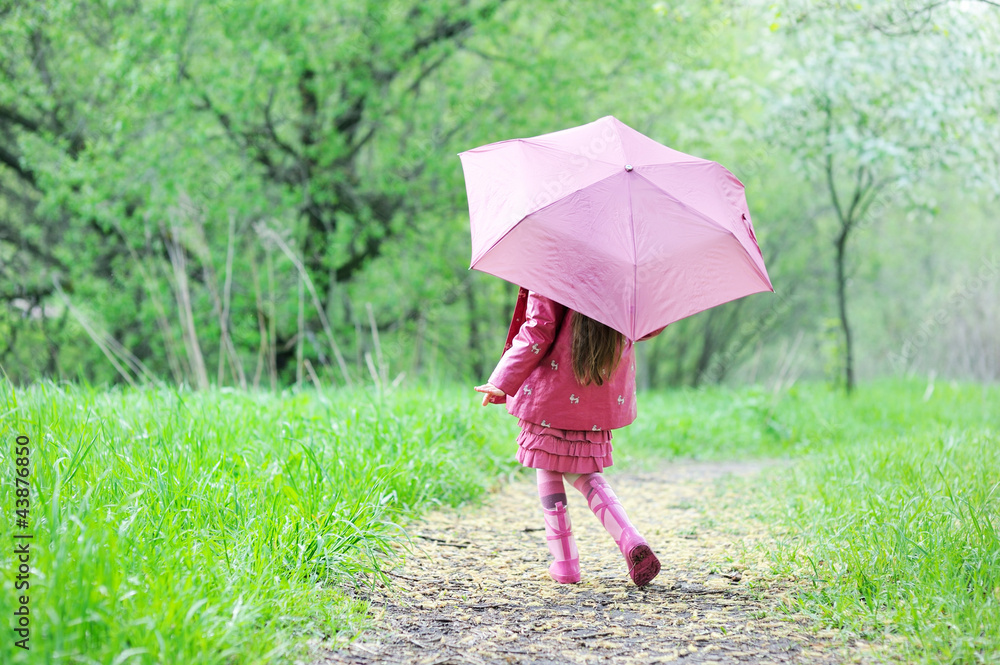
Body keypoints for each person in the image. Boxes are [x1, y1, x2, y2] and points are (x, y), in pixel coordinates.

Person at [474, 289, 661, 587]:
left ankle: (565, 563)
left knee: (547, 464)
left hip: (554, 387)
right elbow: (644, 325)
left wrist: (503, 379)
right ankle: (629, 537)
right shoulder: (625, 274)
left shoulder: (552, 267)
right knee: (583, 469)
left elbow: (539, 328)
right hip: (598, 386)